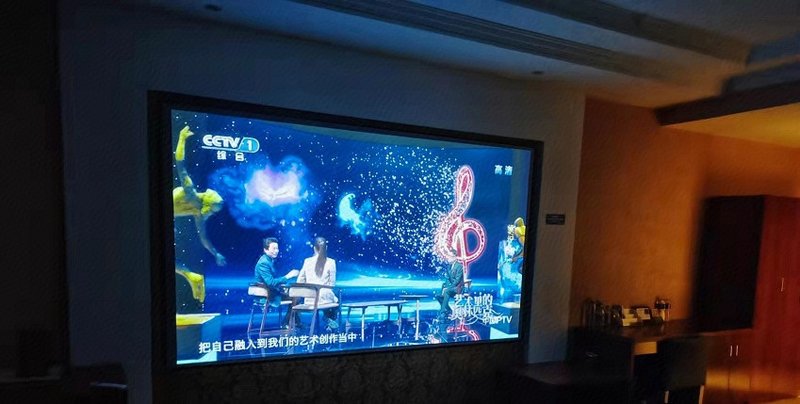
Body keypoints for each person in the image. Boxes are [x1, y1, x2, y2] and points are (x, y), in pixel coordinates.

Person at [173, 125, 226, 266]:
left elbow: (203, 238)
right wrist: (182, 138)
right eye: (213, 211)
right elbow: (180, 164)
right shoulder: (190, 191)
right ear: (208, 205)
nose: (212, 214)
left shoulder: (198, 214)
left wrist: (216, 254)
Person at [253, 237, 300, 327]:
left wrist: (282, 288)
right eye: (273, 248)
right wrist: (288, 276)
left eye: (277, 248)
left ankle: (293, 323)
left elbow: (272, 282)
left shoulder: (268, 261)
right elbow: (271, 283)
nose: (276, 251)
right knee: (296, 297)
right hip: (267, 296)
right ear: (265, 250)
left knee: (295, 295)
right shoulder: (264, 263)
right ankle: (288, 323)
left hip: (271, 292)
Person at [297, 236, 339, 332]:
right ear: (326, 248)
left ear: (314, 248)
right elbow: (332, 284)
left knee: (328, 296)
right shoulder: (331, 262)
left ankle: (326, 320)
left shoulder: (307, 261)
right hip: (324, 298)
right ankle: (328, 319)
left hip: (309, 299)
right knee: (335, 299)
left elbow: (300, 281)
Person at [434, 251, 464, 342]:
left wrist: (448, 288)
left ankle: (442, 311)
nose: (448, 258)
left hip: (457, 288)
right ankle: (449, 310)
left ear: (455, 257)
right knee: (438, 296)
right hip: (451, 287)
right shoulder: (449, 267)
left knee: (446, 291)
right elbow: (447, 279)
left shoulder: (459, 266)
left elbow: (457, 280)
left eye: (450, 256)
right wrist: (446, 286)